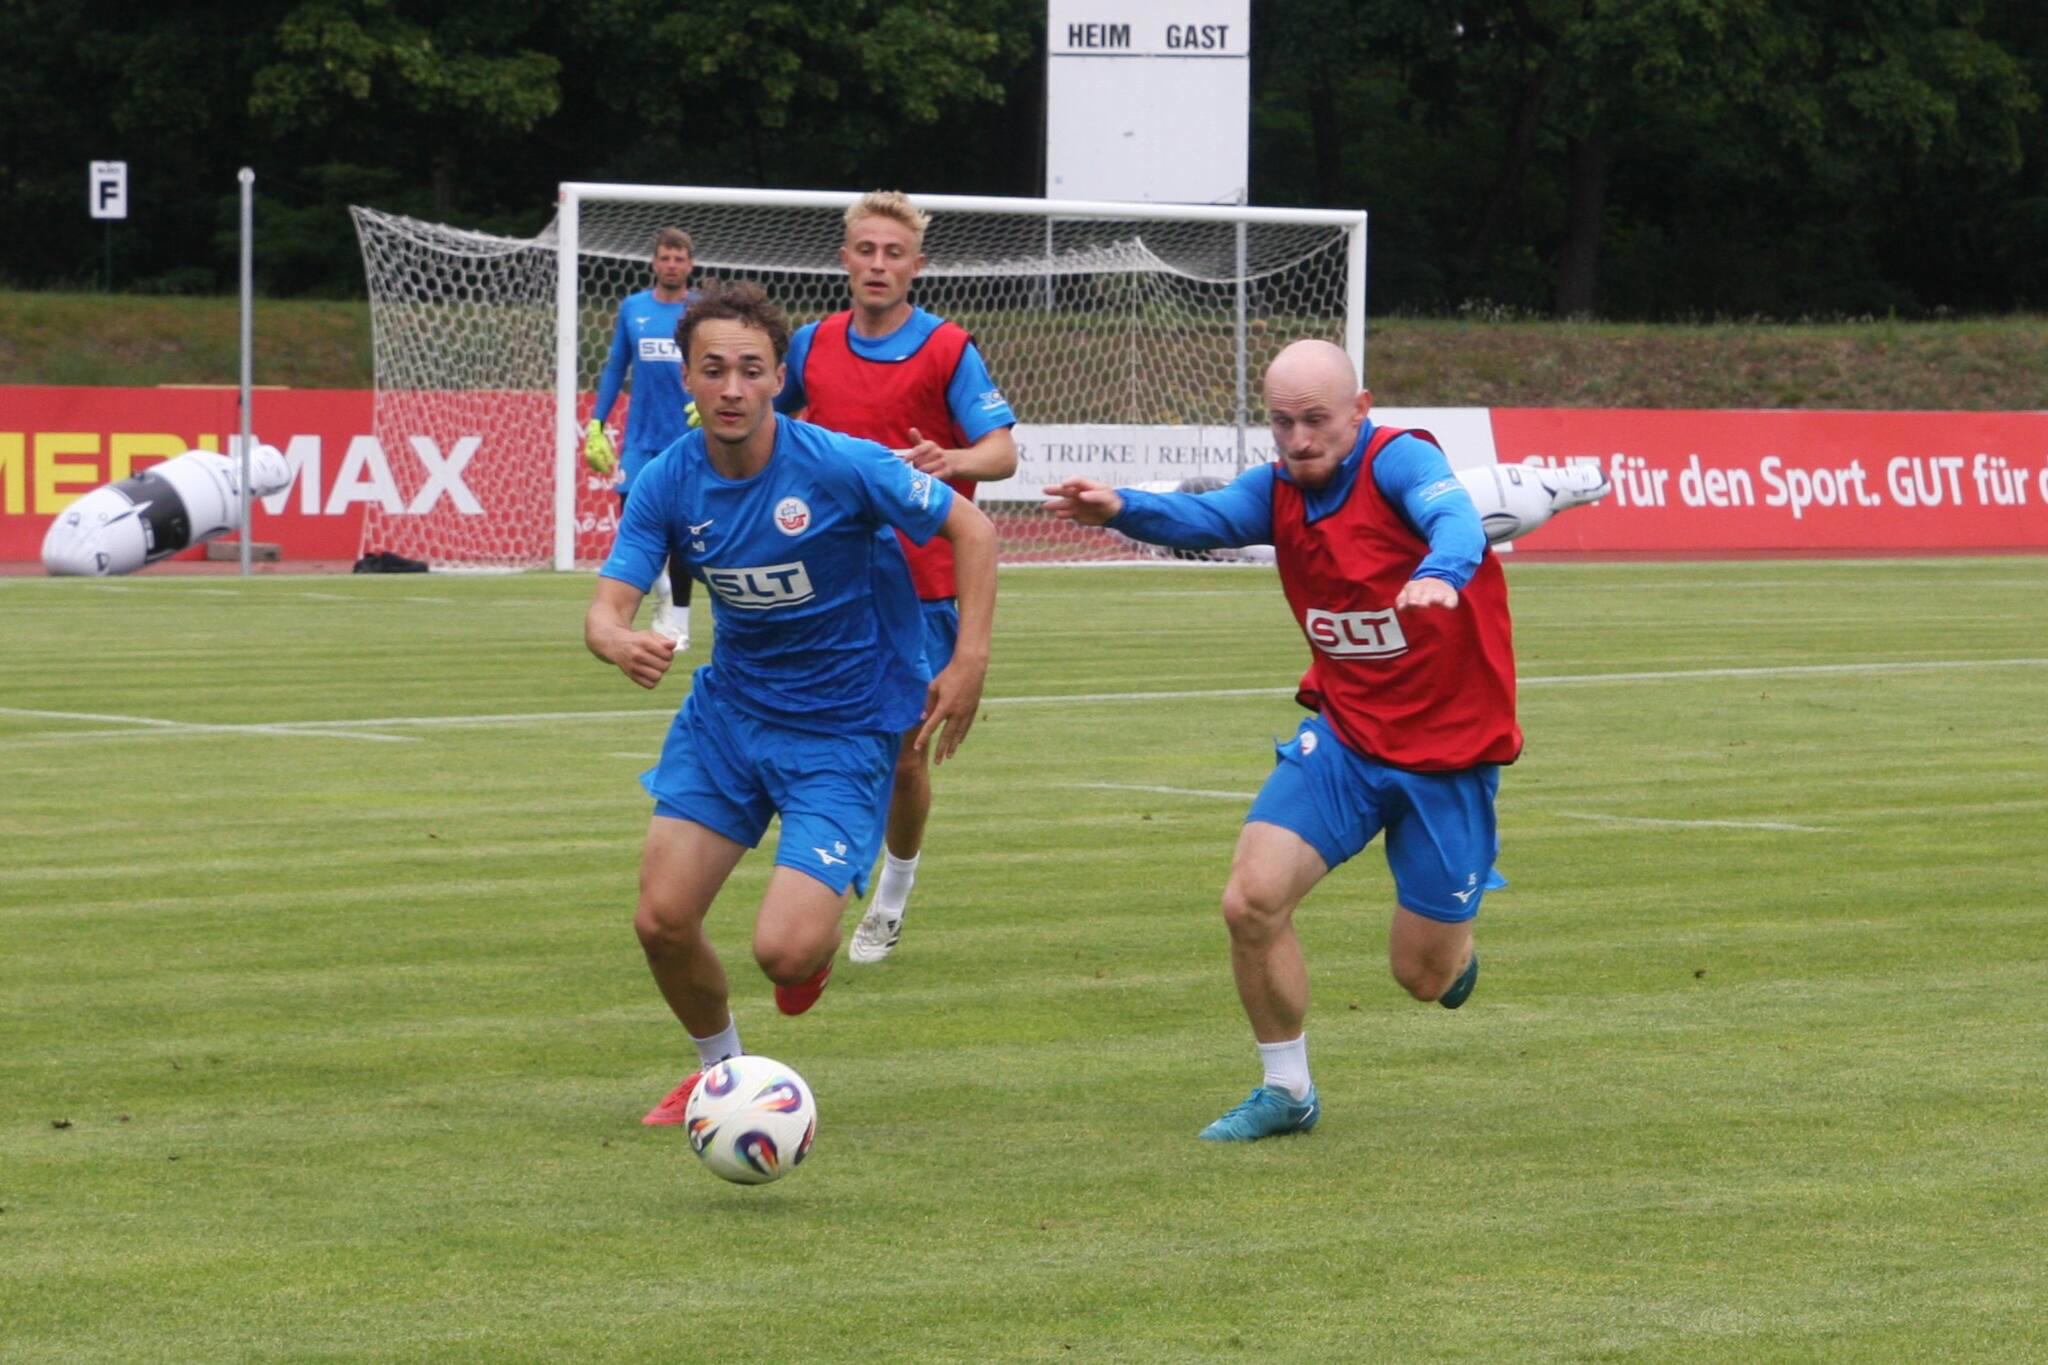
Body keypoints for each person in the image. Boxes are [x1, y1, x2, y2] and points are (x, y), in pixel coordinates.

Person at [1043, 339, 1518, 1143]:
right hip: (1345, 739)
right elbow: (1208, 517)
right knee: (1250, 901)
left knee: (1422, 976)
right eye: (1282, 423)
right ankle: (1286, 1088)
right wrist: (1119, 506)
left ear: (1359, 410)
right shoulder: (1278, 487)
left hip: (1448, 755)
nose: (1298, 440)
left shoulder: (1399, 462)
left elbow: (1454, 513)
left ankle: (1456, 947)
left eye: (1317, 421)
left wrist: (1442, 568)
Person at [585, 281, 997, 1126]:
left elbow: (974, 529)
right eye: (713, 370)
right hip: (729, 720)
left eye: (750, 369)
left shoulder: (839, 464)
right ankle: (719, 1074)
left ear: (778, 378)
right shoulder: (669, 479)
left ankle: (807, 954)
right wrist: (614, 636)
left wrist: (969, 658)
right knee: (661, 920)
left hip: (844, 734)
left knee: (785, 951)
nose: (731, 387)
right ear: (688, 382)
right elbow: (607, 606)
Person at [775, 190, 1018, 965]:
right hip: (830, 583)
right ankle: (822, 869)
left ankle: (892, 892)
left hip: (924, 584)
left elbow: (1003, 452)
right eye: (866, 251)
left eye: (894, 254)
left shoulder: (947, 348)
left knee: (905, 752)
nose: (878, 265)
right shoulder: (811, 345)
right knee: (817, 734)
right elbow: (764, 423)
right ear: (844, 257)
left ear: (916, 265)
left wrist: (952, 460)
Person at [585, 227, 702, 644]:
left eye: (679, 258)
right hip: (641, 440)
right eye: (665, 258)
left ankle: (681, 624)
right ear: (654, 262)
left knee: (686, 532)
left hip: (686, 438)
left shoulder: (700, 310)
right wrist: (597, 423)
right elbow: (617, 366)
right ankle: (663, 595)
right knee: (633, 519)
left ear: (690, 264)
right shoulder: (633, 308)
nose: (671, 265)